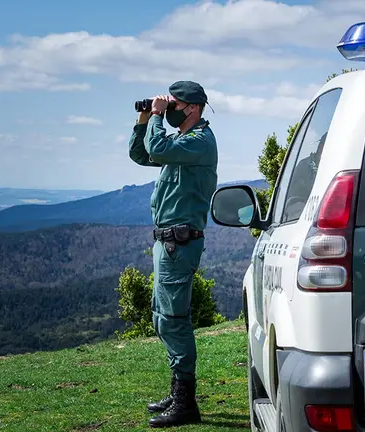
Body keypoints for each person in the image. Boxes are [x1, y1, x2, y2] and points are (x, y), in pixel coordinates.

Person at [128, 80, 218, 428]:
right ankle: (176, 391)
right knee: (161, 317)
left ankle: (186, 403)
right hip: (166, 243)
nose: (170, 108)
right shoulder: (182, 143)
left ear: (192, 108)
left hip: (179, 244)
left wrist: (156, 116)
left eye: (175, 104)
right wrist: (142, 120)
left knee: (174, 320)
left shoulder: (200, 142)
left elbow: (158, 147)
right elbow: (142, 154)